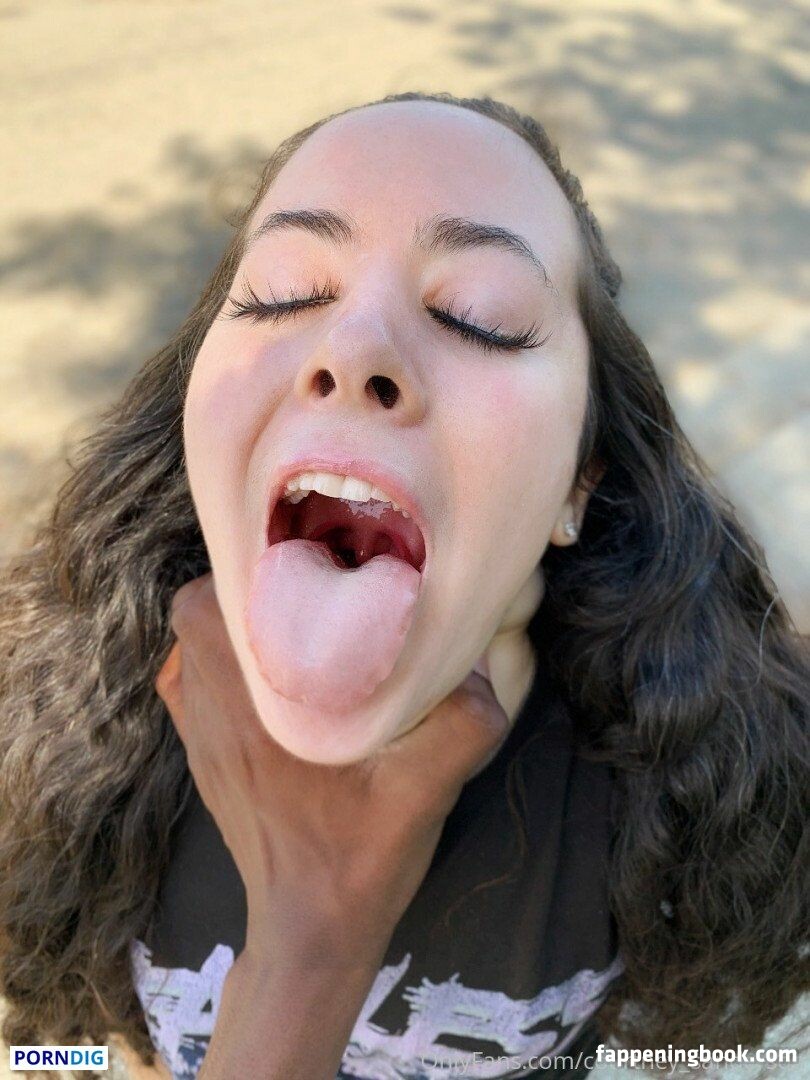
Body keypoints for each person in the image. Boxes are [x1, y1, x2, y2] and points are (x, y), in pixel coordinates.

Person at [0, 91, 806, 1080]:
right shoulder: (46, 746)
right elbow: (69, 1044)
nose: (353, 352)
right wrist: (298, 955)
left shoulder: (723, 791)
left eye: (481, 318)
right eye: (284, 293)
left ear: (579, 481)